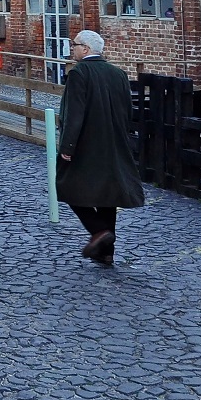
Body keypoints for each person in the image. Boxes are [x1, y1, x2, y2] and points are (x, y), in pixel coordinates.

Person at [57, 29, 145, 265]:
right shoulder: (118, 73)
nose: (72, 48)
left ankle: (98, 232)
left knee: (68, 185)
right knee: (108, 194)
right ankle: (106, 252)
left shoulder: (79, 73)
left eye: (74, 45)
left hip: (87, 142)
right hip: (115, 140)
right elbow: (128, 109)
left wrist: (68, 145)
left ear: (85, 49)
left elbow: (74, 113)